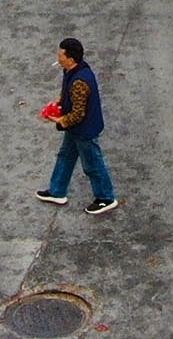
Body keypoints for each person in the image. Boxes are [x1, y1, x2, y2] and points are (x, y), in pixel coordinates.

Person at [36, 38, 118, 214]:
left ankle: (106, 197)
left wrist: (61, 121)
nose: (58, 58)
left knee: (92, 164)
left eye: (61, 55)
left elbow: (78, 114)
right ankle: (57, 191)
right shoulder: (73, 71)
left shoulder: (79, 82)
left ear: (71, 59)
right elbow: (69, 93)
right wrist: (60, 100)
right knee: (65, 155)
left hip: (83, 130)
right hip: (77, 129)